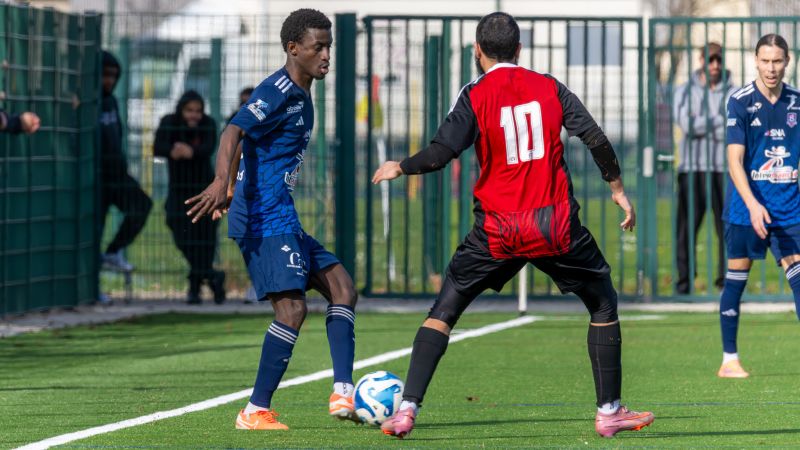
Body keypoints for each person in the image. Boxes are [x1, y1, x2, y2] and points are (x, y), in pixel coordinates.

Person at [372, 12, 654, 439]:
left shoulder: (475, 93)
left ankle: (406, 410)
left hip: (497, 231)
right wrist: (617, 188)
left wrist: (401, 166)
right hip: (554, 226)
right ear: (519, 49)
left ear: (477, 51)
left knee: (443, 311)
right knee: (602, 304)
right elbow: (595, 137)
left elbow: (441, 152)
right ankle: (609, 411)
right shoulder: (549, 86)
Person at [185, 9, 359, 430]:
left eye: (329, 47)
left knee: (343, 288)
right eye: (318, 47)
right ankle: (254, 410)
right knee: (292, 310)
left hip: (280, 212)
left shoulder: (302, 93)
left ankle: (343, 392)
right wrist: (222, 180)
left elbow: (252, 139)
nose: (326, 56)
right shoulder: (277, 90)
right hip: (262, 218)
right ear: (293, 48)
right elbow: (234, 131)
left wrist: (233, 185)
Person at [718, 33, 800, 378]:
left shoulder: (797, 102)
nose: (771, 68)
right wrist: (752, 204)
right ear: (755, 61)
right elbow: (734, 161)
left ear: (787, 61)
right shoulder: (739, 101)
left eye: (777, 61)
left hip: (788, 209)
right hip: (745, 209)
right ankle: (729, 360)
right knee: (736, 279)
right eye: (765, 60)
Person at [673, 42, 737, 294]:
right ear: (701, 60)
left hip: (723, 168)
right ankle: (684, 283)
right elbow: (686, 125)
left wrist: (702, 123)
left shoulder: (734, 92)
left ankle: (726, 282)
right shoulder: (684, 91)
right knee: (686, 228)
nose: (715, 65)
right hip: (692, 168)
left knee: (726, 228)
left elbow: (734, 128)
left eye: (718, 60)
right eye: (710, 60)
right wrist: (719, 119)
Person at [154, 90, 225, 304]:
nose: (194, 115)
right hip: (179, 190)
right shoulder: (169, 122)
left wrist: (190, 151)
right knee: (178, 228)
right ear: (181, 110)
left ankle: (195, 288)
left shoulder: (208, 124)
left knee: (205, 239)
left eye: (198, 111)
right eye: (189, 110)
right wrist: (173, 149)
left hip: (205, 191)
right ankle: (212, 276)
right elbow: (158, 147)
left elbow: (208, 147)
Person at [98, 50, 153, 275]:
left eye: (113, 76)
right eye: (105, 75)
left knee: (142, 205)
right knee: (93, 230)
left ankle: (113, 252)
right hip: (96, 177)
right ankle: (92, 284)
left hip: (117, 174)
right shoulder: (87, 101)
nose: (109, 81)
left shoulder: (110, 101)